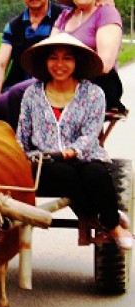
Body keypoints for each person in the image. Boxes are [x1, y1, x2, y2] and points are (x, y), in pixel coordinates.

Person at [16, 33, 133, 250]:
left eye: (67, 58)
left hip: (85, 156)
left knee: (95, 174)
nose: (60, 65)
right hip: (45, 163)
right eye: (53, 58)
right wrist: (20, 159)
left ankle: (112, 225)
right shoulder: (32, 94)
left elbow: (91, 134)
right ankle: (106, 219)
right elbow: (22, 134)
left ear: (77, 62)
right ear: (45, 62)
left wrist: (72, 151)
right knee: (63, 173)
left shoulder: (93, 93)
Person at [0, 0, 119, 131]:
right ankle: (19, 142)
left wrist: (66, 69)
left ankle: (27, 144)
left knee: (18, 94)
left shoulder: (106, 13)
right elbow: (48, 50)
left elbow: (105, 64)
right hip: (58, 80)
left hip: (96, 82)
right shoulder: (65, 16)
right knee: (2, 102)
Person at [0, 0, 66, 95]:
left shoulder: (65, 17)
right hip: (17, 89)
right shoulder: (13, 26)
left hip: (54, 88)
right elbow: (0, 65)